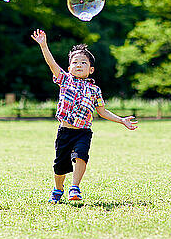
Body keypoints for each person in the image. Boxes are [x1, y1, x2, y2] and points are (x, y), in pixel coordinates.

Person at [31, 29, 138, 203]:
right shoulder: (65, 80)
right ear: (69, 67)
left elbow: (102, 111)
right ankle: (58, 189)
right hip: (65, 131)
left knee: (81, 155)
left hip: (83, 132)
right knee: (60, 166)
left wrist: (121, 120)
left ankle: (75, 187)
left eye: (83, 62)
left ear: (91, 69)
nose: (79, 65)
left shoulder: (95, 89)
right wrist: (44, 45)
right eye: (75, 62)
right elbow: (51, 64)